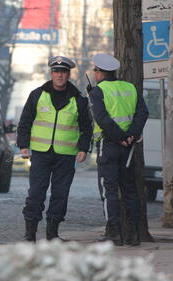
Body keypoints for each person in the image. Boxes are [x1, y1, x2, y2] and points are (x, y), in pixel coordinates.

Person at [17, 56, 92, 242]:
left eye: (63, 72)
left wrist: (84, 148)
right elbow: (25, 121)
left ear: (69, 74)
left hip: (66, 155)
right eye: (56, 71)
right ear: (51, 74)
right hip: (41, 153)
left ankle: (53, 234)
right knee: (36, 193)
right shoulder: (37, 95)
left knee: (60, 194)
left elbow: (86, 127)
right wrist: (23, 145)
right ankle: (30, 234)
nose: (60, 75)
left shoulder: (79, 99)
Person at [88, 53, 149, 246]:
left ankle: (113, 233)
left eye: (95, 71)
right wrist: (131, 135)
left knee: (109, 189)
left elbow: (102, 119)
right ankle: (133, 233)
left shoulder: (98, 91)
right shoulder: (130, 87)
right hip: (129, 148)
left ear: (99, 73)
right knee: (130, 190)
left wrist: (121, 137)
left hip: (110, 145)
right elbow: (142, 112)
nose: (95, 74)